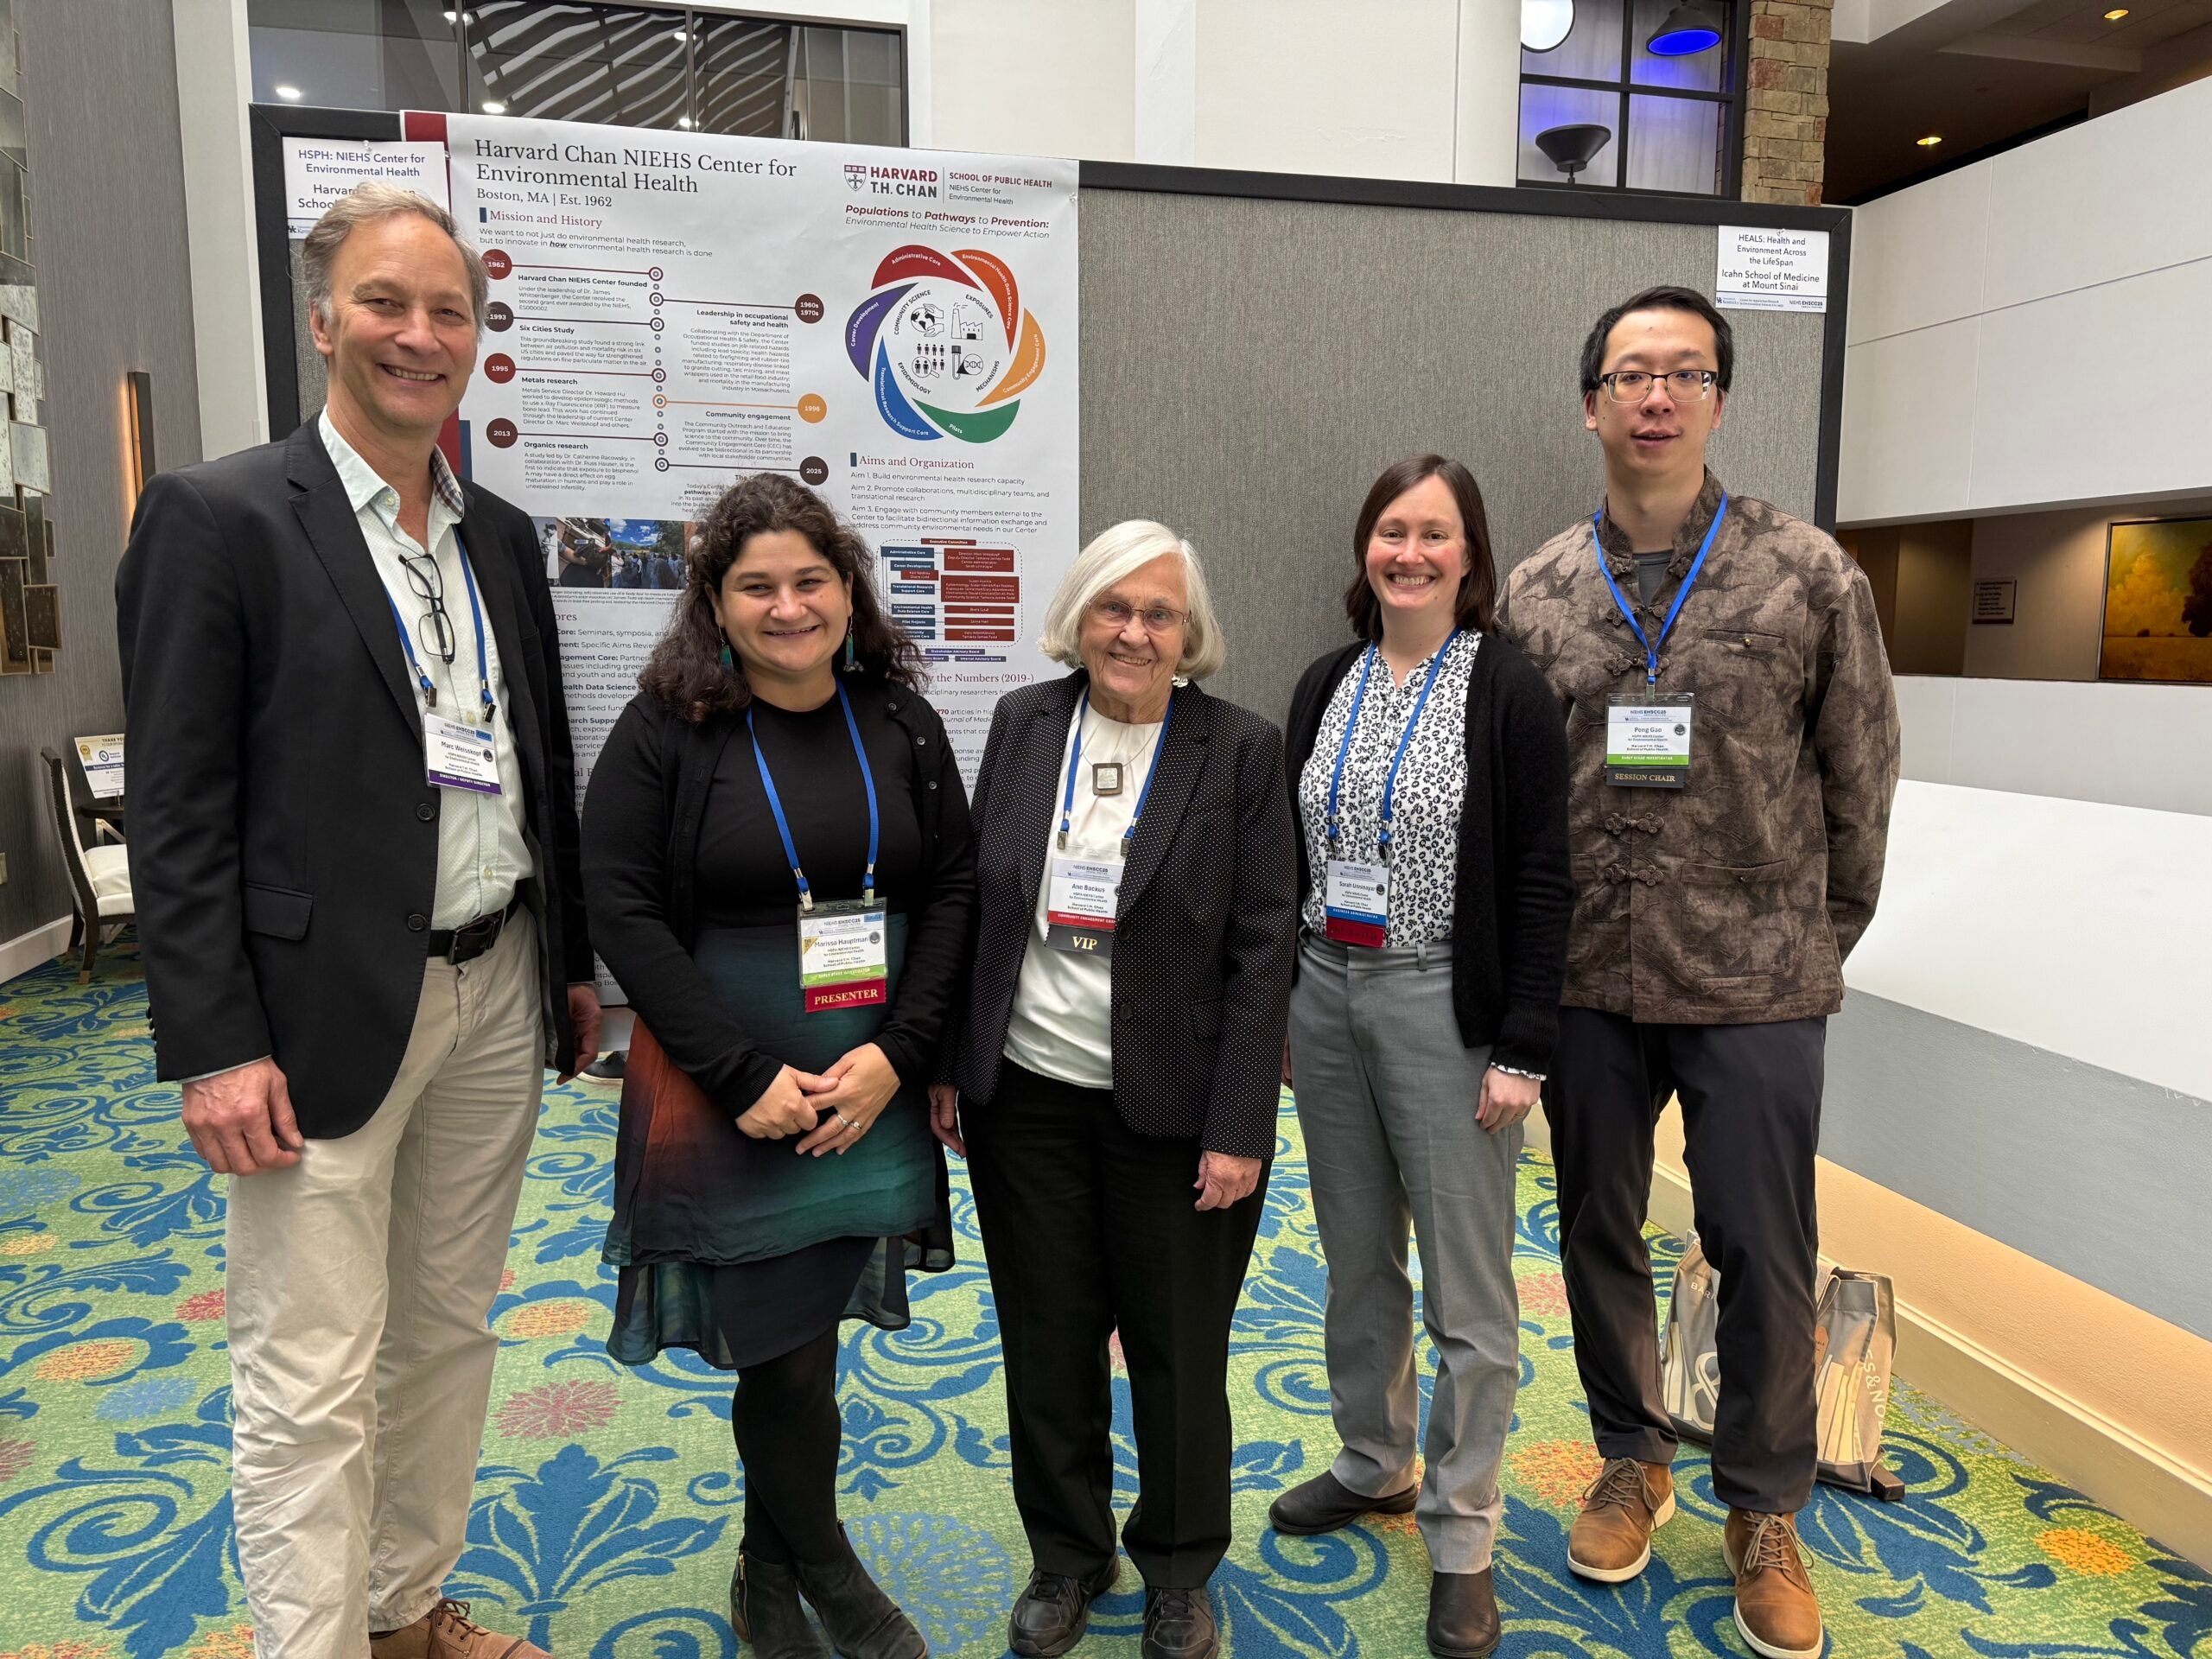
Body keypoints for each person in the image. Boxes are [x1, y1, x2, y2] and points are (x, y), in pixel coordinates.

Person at [115, 183, 601, 1659]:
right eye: (386, 303)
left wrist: (564, 959)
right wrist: (212, 1044)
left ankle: (402, 1609)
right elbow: (178, 807)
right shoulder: (219, 518)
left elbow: (535, 761)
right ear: (322, 322)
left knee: (450, 1334)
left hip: (494, 986)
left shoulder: (501, 538)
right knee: (310, 1370)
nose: (418, 335)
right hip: (313, 1020)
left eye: (449, 311)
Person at [1497, 285, 1900, 1659]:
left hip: (1758, 980)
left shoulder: (1808, 572)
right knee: (1596, 1230)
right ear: (1592, 403)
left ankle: (1765, 1508)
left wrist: (1813, 939)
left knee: (1760, 1248)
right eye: (1628, 375)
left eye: (1681, 373)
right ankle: (1631, 1457)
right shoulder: (1539, 589)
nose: (1653, 396)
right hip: (1589, 980)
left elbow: (1861, 776)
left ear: (1720, 398)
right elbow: (1514, 801)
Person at [582, 474, 975, 1659]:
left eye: (811, 579)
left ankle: (767, 1566)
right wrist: (740, 1073)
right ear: (715, 601)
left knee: (804, 1337)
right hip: (724, 1083)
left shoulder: (900, 720)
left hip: (866, 1079)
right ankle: (829, 1571)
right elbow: (625, 907)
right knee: (784, 1349)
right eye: (757, 585)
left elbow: (953, 887)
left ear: (850, 590)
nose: (789, 605)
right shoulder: (667, 728)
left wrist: (896, 1060)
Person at [930, 523, 1296, 1659]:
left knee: (1180, 1353)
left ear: (1191, 636)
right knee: (1049, 1337)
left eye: (1159, 614)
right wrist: (953, 1060)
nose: (1134, 631)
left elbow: (1264, 948)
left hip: (1176, 1112)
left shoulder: (1239, 750)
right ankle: (1068, 1555)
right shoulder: (1024, 723)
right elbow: (980, 905)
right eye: (1114, 608)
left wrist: (1241, 1128)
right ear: (1079, 616)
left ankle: (1181, 1566)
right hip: (1026, 1097)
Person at [1270, 456, 1572, 1659]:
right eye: (1391, 530)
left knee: (1468, 1291)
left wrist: (1524, 1050)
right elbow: (1290, 856)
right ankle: (1375, 1459)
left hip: (1447, 1005)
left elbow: (1544, 879)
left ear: (1469, 555)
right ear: (1365, 549)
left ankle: (1463, 1532)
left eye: (1433, 534)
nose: (1410, 552)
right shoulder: (1323, 682)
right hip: (1326, 992)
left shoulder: (1506, 688)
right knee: (1354, 1261)